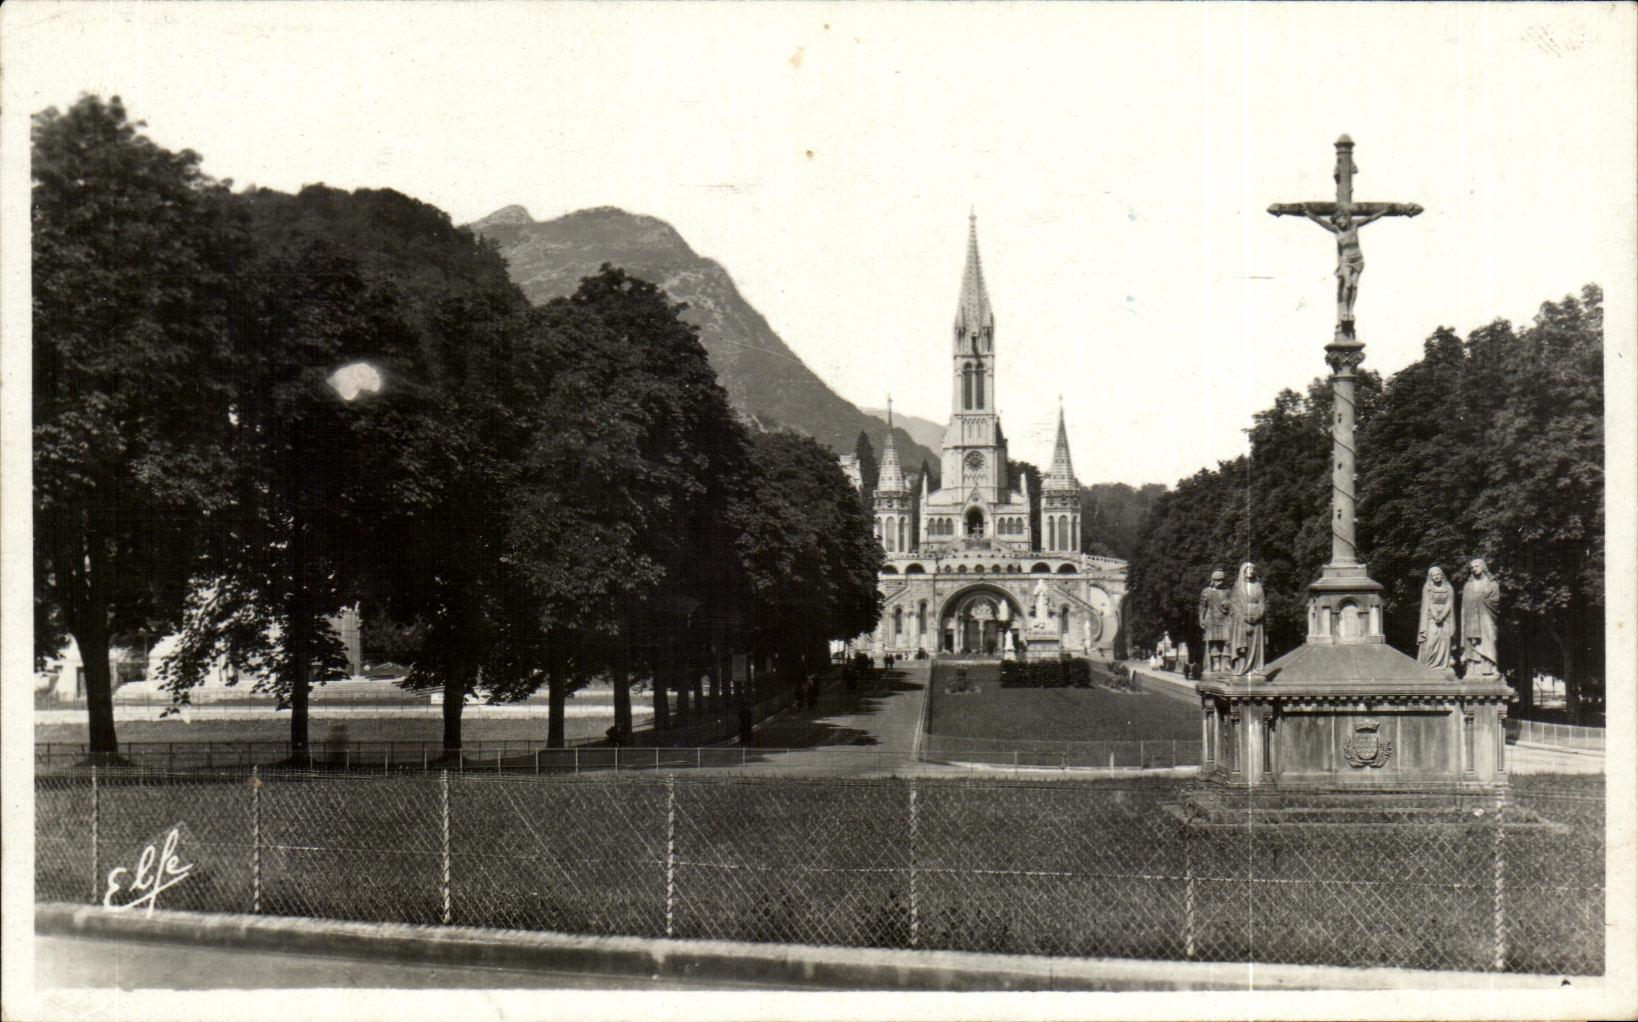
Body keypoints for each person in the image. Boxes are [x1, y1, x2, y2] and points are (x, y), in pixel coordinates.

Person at [1460, 558, 1500, 678]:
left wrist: (1481, 600)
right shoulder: (1468, 586)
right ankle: (1473, 670)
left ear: (1483, 567)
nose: (1474, 568)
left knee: (1490, 640)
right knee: (1472, 645)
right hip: (1471, 619)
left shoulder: (1493, 584)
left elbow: (1496, 602)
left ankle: (1491, 668)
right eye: (1472, 567)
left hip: (1486, 617)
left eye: (1476, 566)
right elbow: (1464, 606)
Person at [1416, 566, 1457, 673]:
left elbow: (1450, 603)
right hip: (1432, 618)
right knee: (1431, 641)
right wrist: (1435, 615)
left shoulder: (1448, 587)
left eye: (1438, 574)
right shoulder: (1427, 587)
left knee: (1444, 640)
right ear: (1430, 577)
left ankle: (1444, 666)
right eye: (1433, 575)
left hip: (1445, 617)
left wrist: (1442, 616)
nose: (1436, 577)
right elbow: (1427, 602)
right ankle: (1429, 666)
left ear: (1441, 575)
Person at [1229, 562, 1266, 676]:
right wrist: (1243, 617)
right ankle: (1241, 668)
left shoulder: (1258, 585)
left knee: (1255, 644)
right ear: (1243, 571)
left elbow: (1262, 603)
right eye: (1248, 569)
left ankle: (1255, 668)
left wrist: (1258, 615)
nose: (1251, 571)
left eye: (1253, 569)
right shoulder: (1237, 586)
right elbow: (1234, 604)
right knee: (1243, 645)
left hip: (1256, 619)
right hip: (1241, 619)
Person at [1199, 569, 1234, 675]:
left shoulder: (1228, 592)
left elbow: (1234, 605)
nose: (1220, 582)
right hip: (1211, 618)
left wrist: (1228, 604)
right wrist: (1201, 619)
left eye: (1222, 580)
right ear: (1213, 580)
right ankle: (1216, 663)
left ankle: (1226, 663)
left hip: (1225, 618)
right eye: (1218, 580)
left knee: (1227, 641)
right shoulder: (1206, 591)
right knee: (1214, 642)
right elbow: (1202, 606)